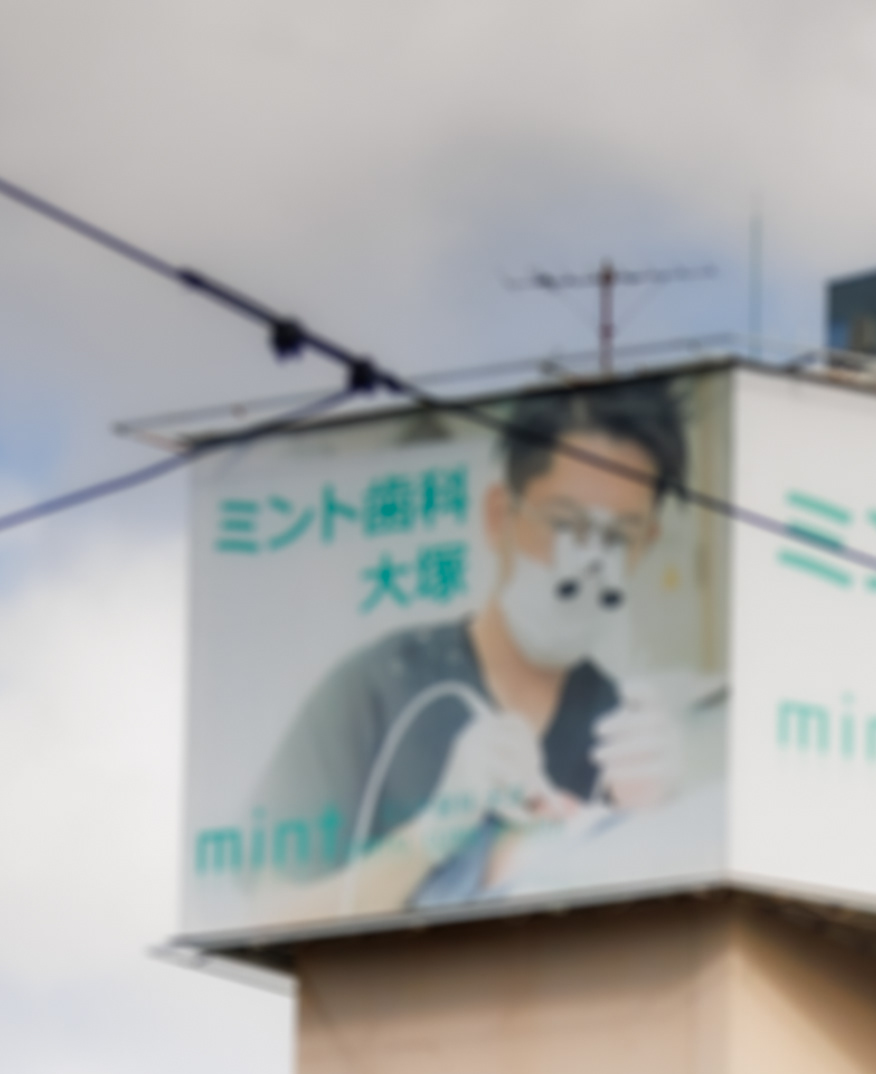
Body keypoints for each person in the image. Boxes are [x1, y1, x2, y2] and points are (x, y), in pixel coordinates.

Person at [242, 377, 700, 923]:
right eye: (564, 525)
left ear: (646, 543)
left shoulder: (618, 733)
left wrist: (666, 823)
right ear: (499, 515)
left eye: (618, 537)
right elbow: (266, 916)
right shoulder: (378, 691)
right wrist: (430, 836)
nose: (588, 563)